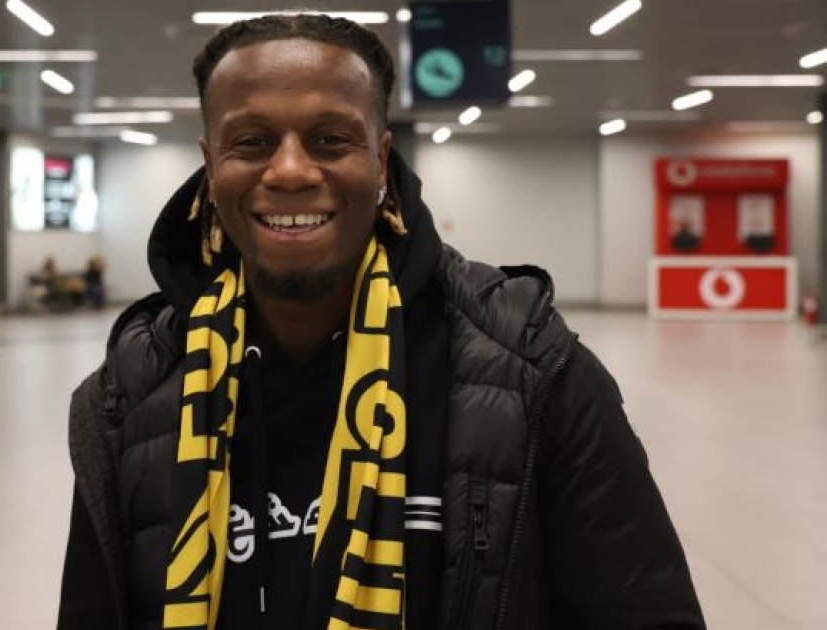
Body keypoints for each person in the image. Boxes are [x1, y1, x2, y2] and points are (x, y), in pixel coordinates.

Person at [59, 14, 705, 630]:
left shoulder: (533, 371)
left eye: (330, 139)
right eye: (252, 142)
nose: (290, 170)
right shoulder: (129, 395)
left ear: (380, 158)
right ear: (211, 164)